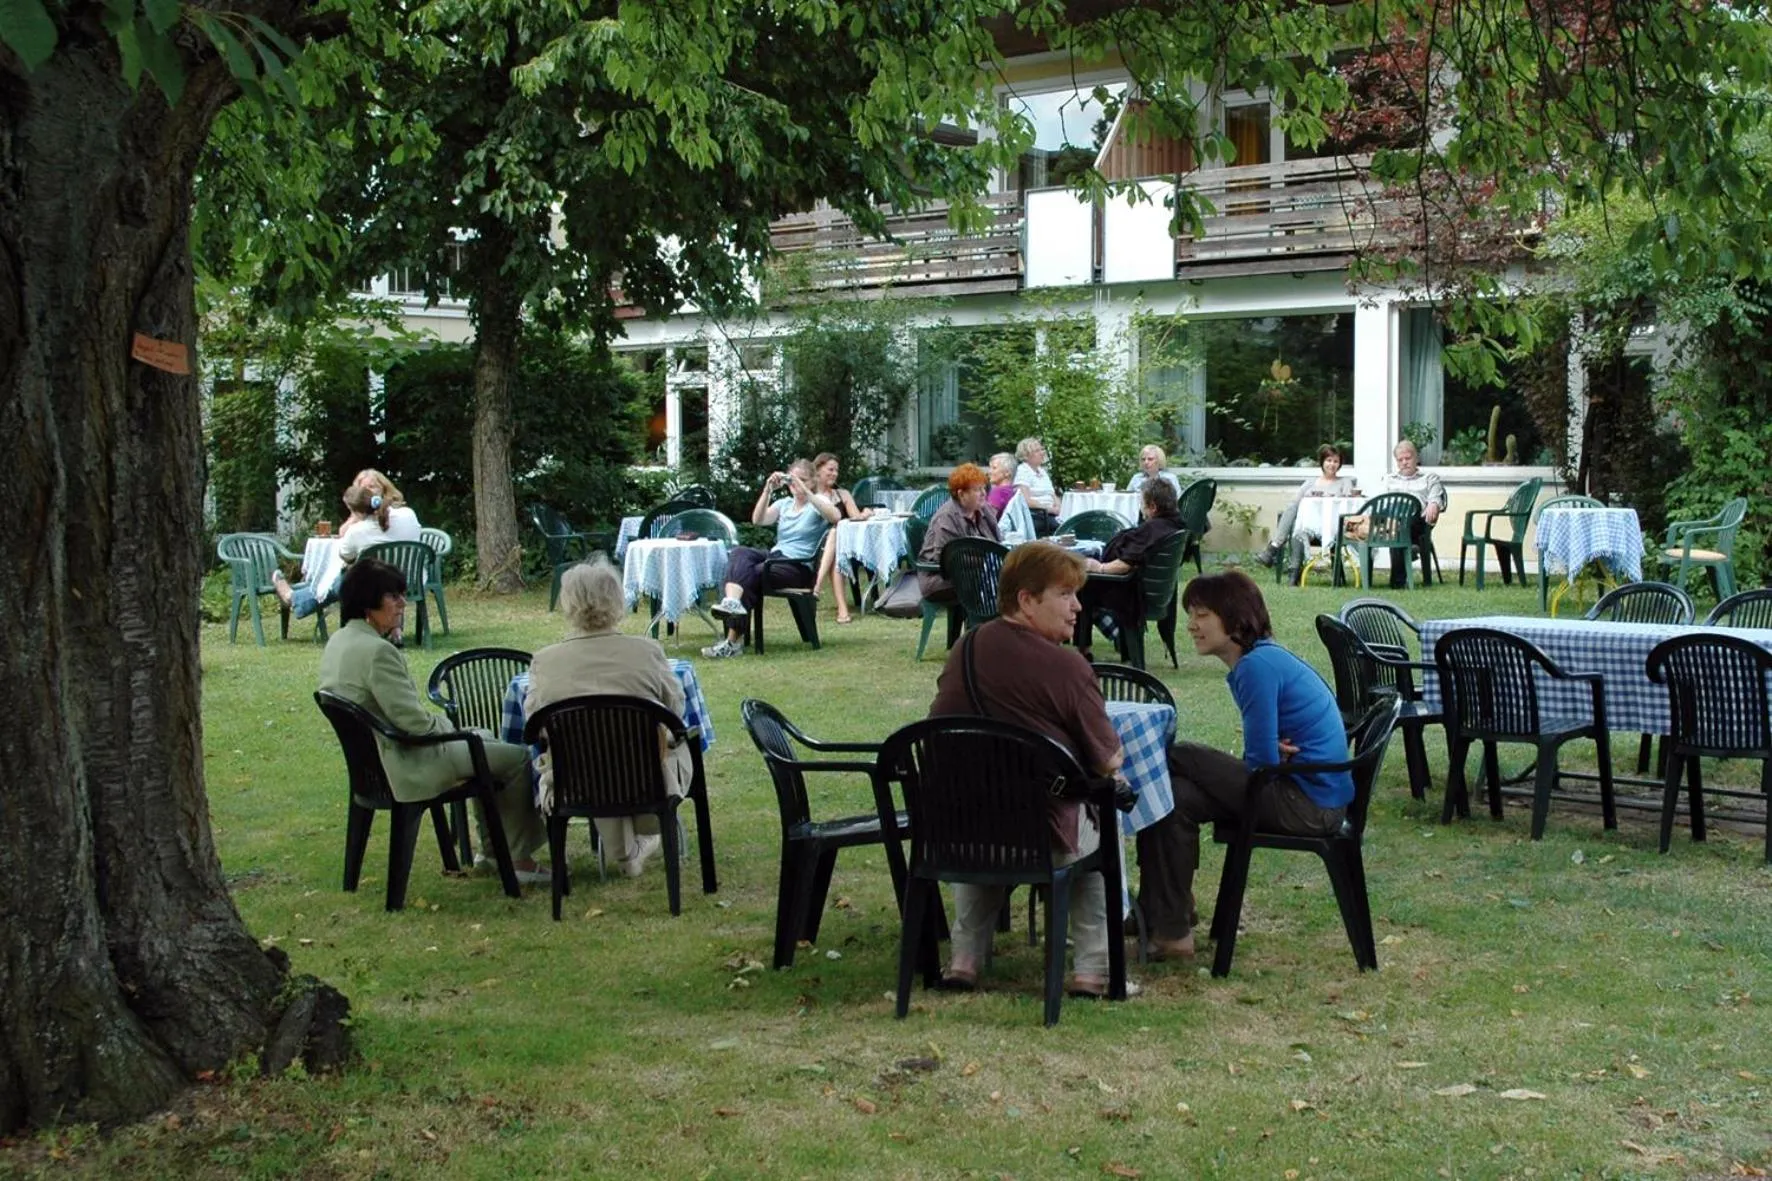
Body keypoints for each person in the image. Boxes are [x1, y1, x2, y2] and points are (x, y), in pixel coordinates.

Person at [927, 542, 1134, 997]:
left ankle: (963, 961)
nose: (1078, 606)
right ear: (1025, 599)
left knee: (988, 804)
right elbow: (1108, 758)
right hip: (1041, 839)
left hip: (957, 833)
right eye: (1065, 594)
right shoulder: (1067, 666)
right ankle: (1093, 970)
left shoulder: (964, 648)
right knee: (1100, 813)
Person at [317, 558, 548, 883]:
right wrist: (450, 728)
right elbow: (416, 725)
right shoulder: (377, 652)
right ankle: (516, 858)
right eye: (393, 597)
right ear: (368, 602)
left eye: (402, 595)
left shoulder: (340, 641)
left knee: (481, 735)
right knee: (517, 757)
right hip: (410, 761)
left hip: (376, 762)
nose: (402, 604)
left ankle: (491, 852)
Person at [1165, 570, 1352, 957]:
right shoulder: (1263, 660)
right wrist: (1269, 751)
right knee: (1175, 797)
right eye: (1191, 614)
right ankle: (1170, 928)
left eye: (1201, 614)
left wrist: (1268, 752)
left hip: (1307, 805)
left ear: (1233, 618)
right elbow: (1266, 755)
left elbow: (1261, 762)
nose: (1191, 625)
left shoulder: (1255, 667)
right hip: (1303, 792)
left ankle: (1164, 919)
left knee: (1174, 753)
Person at [526, 558, 690, 879]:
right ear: (617, 600)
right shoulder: (648, 652)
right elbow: (675, 712)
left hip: (577, 782)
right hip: (647, 778)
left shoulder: (545, 662)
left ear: (567, 603)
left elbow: (537, 727)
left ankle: (626, 852)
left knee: (590, 754)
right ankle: (635, 844)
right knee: (675, 745)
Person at [702, 458, 841, 658]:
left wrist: (808, 493)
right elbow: (758, 520)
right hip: (776, 557)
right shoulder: (784, 504)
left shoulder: (819, 502)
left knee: (754, 574)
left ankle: (732, 642)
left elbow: (835, 517)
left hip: (798, 566)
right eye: (792, 480)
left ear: (812, 481)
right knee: (740, 553)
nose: (795, 485)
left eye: (801, 480)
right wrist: (768, 490)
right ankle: (732, 602)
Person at [1073, 478, 1185, 659]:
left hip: (1134, 595)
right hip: (1155, 593)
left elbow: (1125, 564)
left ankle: (1084, 650)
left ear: (1153, 507)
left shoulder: (1152, 529)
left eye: (1142, 503)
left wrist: (1100, 567)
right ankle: (1117, 636)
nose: (1141, 508)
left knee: (1084, 587)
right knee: (1090, 586)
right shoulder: (1176, 526)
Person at [275, 484, 382, 619]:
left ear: (353, 509)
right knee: (340, 580)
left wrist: (355, 518)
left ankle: (293, 597)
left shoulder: (357, 531)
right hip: (398, 581)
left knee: (339, 581)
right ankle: (296, 596)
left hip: (370, 587)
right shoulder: (392, 523)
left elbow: (345, 557)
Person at [1254, 443, 1360, 574]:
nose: (1332, 464)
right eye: (1329, 460)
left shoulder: (1345, 481)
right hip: (1310, 525)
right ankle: (1290, 565)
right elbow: (1294, 503)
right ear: (1322, 462)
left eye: (1335, 461)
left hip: (1333, 526)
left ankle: (1276, 551)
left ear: (1339, 464)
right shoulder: (1311, 482)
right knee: (1294, 516)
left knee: (1296, 526)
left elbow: (1348, 504)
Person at [916, 462, 1002, 605]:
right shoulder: (946, 518)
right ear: (961, 494)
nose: (983, 494)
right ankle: (982, 623)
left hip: (978, 573)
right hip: (940, 579)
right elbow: (948, 560)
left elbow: (998, 541)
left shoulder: (984, 509)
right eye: (976, 490)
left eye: (983, 488)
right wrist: (987, 561)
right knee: (999, 583)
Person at [807, 452, 872, 625]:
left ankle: (818, 587)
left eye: (836, 470)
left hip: (843, 545)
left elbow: (855, 518)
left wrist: (865, 514)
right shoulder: (809, 496)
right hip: (815, 546)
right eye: (830, 469)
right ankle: (840, 609)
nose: (834, 474)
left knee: (837, 541)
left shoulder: (842, 494)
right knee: (835, 540)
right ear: (818, 470)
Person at [1381, 438, 1448, 586]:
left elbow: (1437, 497)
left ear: (1416, 458)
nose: (1404, 462)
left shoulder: (1429, 478)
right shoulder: (1388, 479)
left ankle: (1398, 582)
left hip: (1417, 524)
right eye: (1400, 460)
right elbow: (1381, 502)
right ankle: (1402, 565)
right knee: (1394, 522)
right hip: (1391, 522)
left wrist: (1434, 503)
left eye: (1408, 458)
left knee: (1400, 523)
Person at [1012, 437, 1060, 536]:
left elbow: (1053, 495)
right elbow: (1025, 500)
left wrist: (1058, 507)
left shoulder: (1042, 471)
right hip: (1037, 516)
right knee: (1064, 530)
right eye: (1037, 451)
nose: (1042, 453)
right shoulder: (1023, 471)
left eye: (1042, 449)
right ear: (1026, 455)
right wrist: (1049, 509)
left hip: (1051, 515)